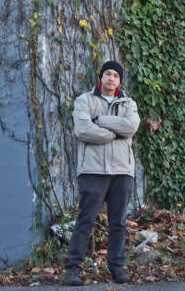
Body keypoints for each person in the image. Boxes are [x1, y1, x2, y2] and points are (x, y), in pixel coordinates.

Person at [63, 60, 141, 286]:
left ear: (119, 80)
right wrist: (112, 134)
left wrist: (104, 121)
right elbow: (83, 129)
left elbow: (131, 128)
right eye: (108, 74)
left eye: (116, 76)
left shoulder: (128, 103)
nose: (111, 78)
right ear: (101, 77)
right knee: (85, 220)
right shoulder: (84, 100)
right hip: (93, 170)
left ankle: (117, 267)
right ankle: (73, 268)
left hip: (122, 171)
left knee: (118, 222)